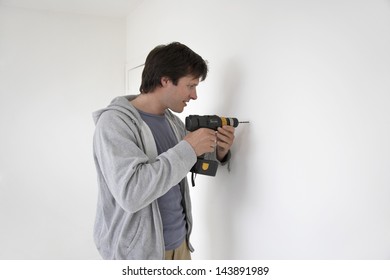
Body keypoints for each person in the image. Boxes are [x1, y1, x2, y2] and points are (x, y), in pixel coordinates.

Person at [92, 42, 235, 260]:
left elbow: (183, 163)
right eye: (190, 86)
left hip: (180, 246)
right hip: (139, 255)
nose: (194, 95)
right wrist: (188, 147)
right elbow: (132, 192)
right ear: (165, 80)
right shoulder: (114, 124)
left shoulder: (173, 123)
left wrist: (220, 152)